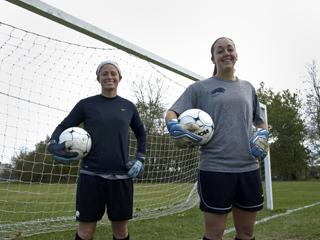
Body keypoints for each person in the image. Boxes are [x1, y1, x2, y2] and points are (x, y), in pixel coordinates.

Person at [165, 37, 269, 240]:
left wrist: (263, 135)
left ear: (236, 54)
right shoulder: (199, 88)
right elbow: (172, 112)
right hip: (214, 169)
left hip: (248, 168)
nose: (226, 53)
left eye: (230, 49)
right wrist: (173, 125)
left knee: (247, 232)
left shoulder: (248, 88)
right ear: (213, 58)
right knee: (215, 233)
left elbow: (260, 121)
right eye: (220, 51)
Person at [47, 60, 147, 240]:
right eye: (105, 73)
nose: (109, 77)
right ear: (98, 78)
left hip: (122, 177)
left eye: (113, 73)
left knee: (121, 231)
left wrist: (140, 158)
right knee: (85, 232)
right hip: (91, 176)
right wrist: (52, 144)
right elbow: (64, 125)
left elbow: (141, 133)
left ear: (120, 78)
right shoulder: (86, 105)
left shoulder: (129, 106)